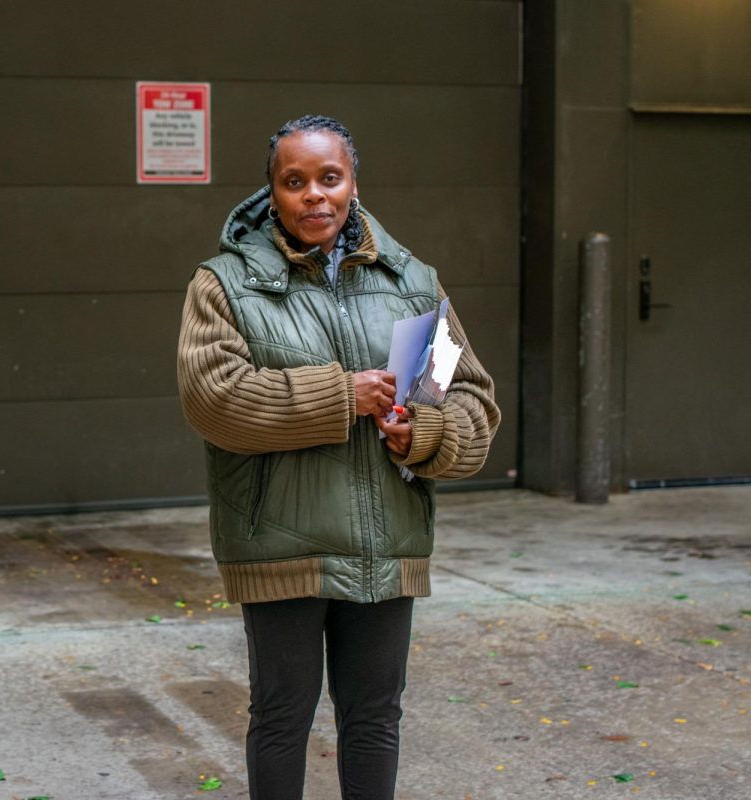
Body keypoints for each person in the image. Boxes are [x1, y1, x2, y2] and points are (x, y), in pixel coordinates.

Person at [176, 115, 501, 800]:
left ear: (354, 183)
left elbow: (470, 401)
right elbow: (213, 399)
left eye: (330, 178)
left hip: (386, 545)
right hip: (280, 548)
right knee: (282, 719)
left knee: (375, 721)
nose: (315, 196)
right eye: (295, 182)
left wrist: (427, 436)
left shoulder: (411, 283)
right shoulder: (227, 284)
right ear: (272, 192)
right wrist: (337, 396)